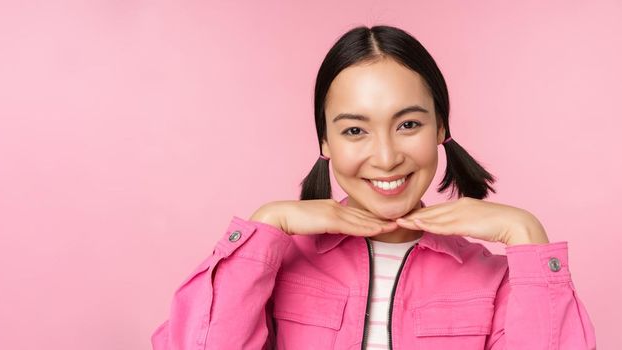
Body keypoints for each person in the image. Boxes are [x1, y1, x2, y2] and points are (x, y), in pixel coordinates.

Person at [150, 25, 597, 350]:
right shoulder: (275, 263)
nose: (385, 157)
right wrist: (267, 224)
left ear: (440, 127)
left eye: (407, 124)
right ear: (324, 140)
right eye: (354, 131)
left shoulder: (496, 278)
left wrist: (527, 235)